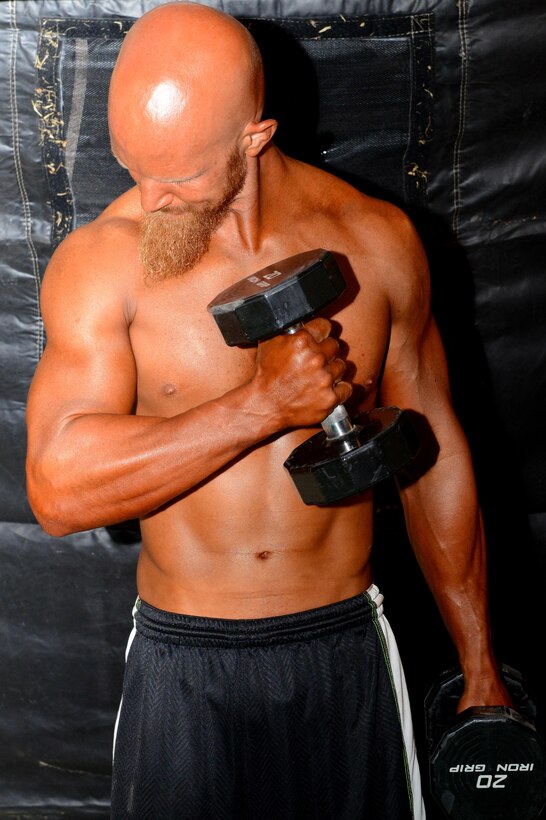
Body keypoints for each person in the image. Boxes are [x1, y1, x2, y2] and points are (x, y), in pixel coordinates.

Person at [25, 3, 512, 818]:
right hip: (185, 665)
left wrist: (481, 665)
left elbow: (434, 457)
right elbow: (57, 490)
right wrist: (260, 406)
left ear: (254, 137)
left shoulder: (377, 243)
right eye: (129, 165)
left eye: (176, 176)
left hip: (344, 646)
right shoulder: (103, 261)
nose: (148, 199)